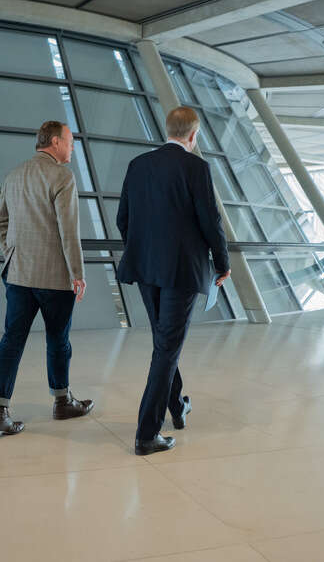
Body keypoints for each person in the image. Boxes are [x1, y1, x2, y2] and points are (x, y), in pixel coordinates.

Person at [117, 107, 230, 456]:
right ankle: (146, 434)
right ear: (193, 136)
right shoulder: (196, 167)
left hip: (145, 268)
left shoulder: (138, 165)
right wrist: (222, 262)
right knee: (167, 347)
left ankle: (177, 407)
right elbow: (210, 221)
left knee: (163, 343)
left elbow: (124, 218)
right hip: (181, 271)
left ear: (167, 130)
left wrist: (142, 251)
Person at [0, 121, 93, 436]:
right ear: (56, 142)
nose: (73, 147)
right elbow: (68, 230)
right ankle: (63, 402)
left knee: (12, 339)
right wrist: (78, 273)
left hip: (18, 274)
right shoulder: (62, 176)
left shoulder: (14, 175)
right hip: (55, 277)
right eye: (70, 141)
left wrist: (11, 252)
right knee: (58, 340)